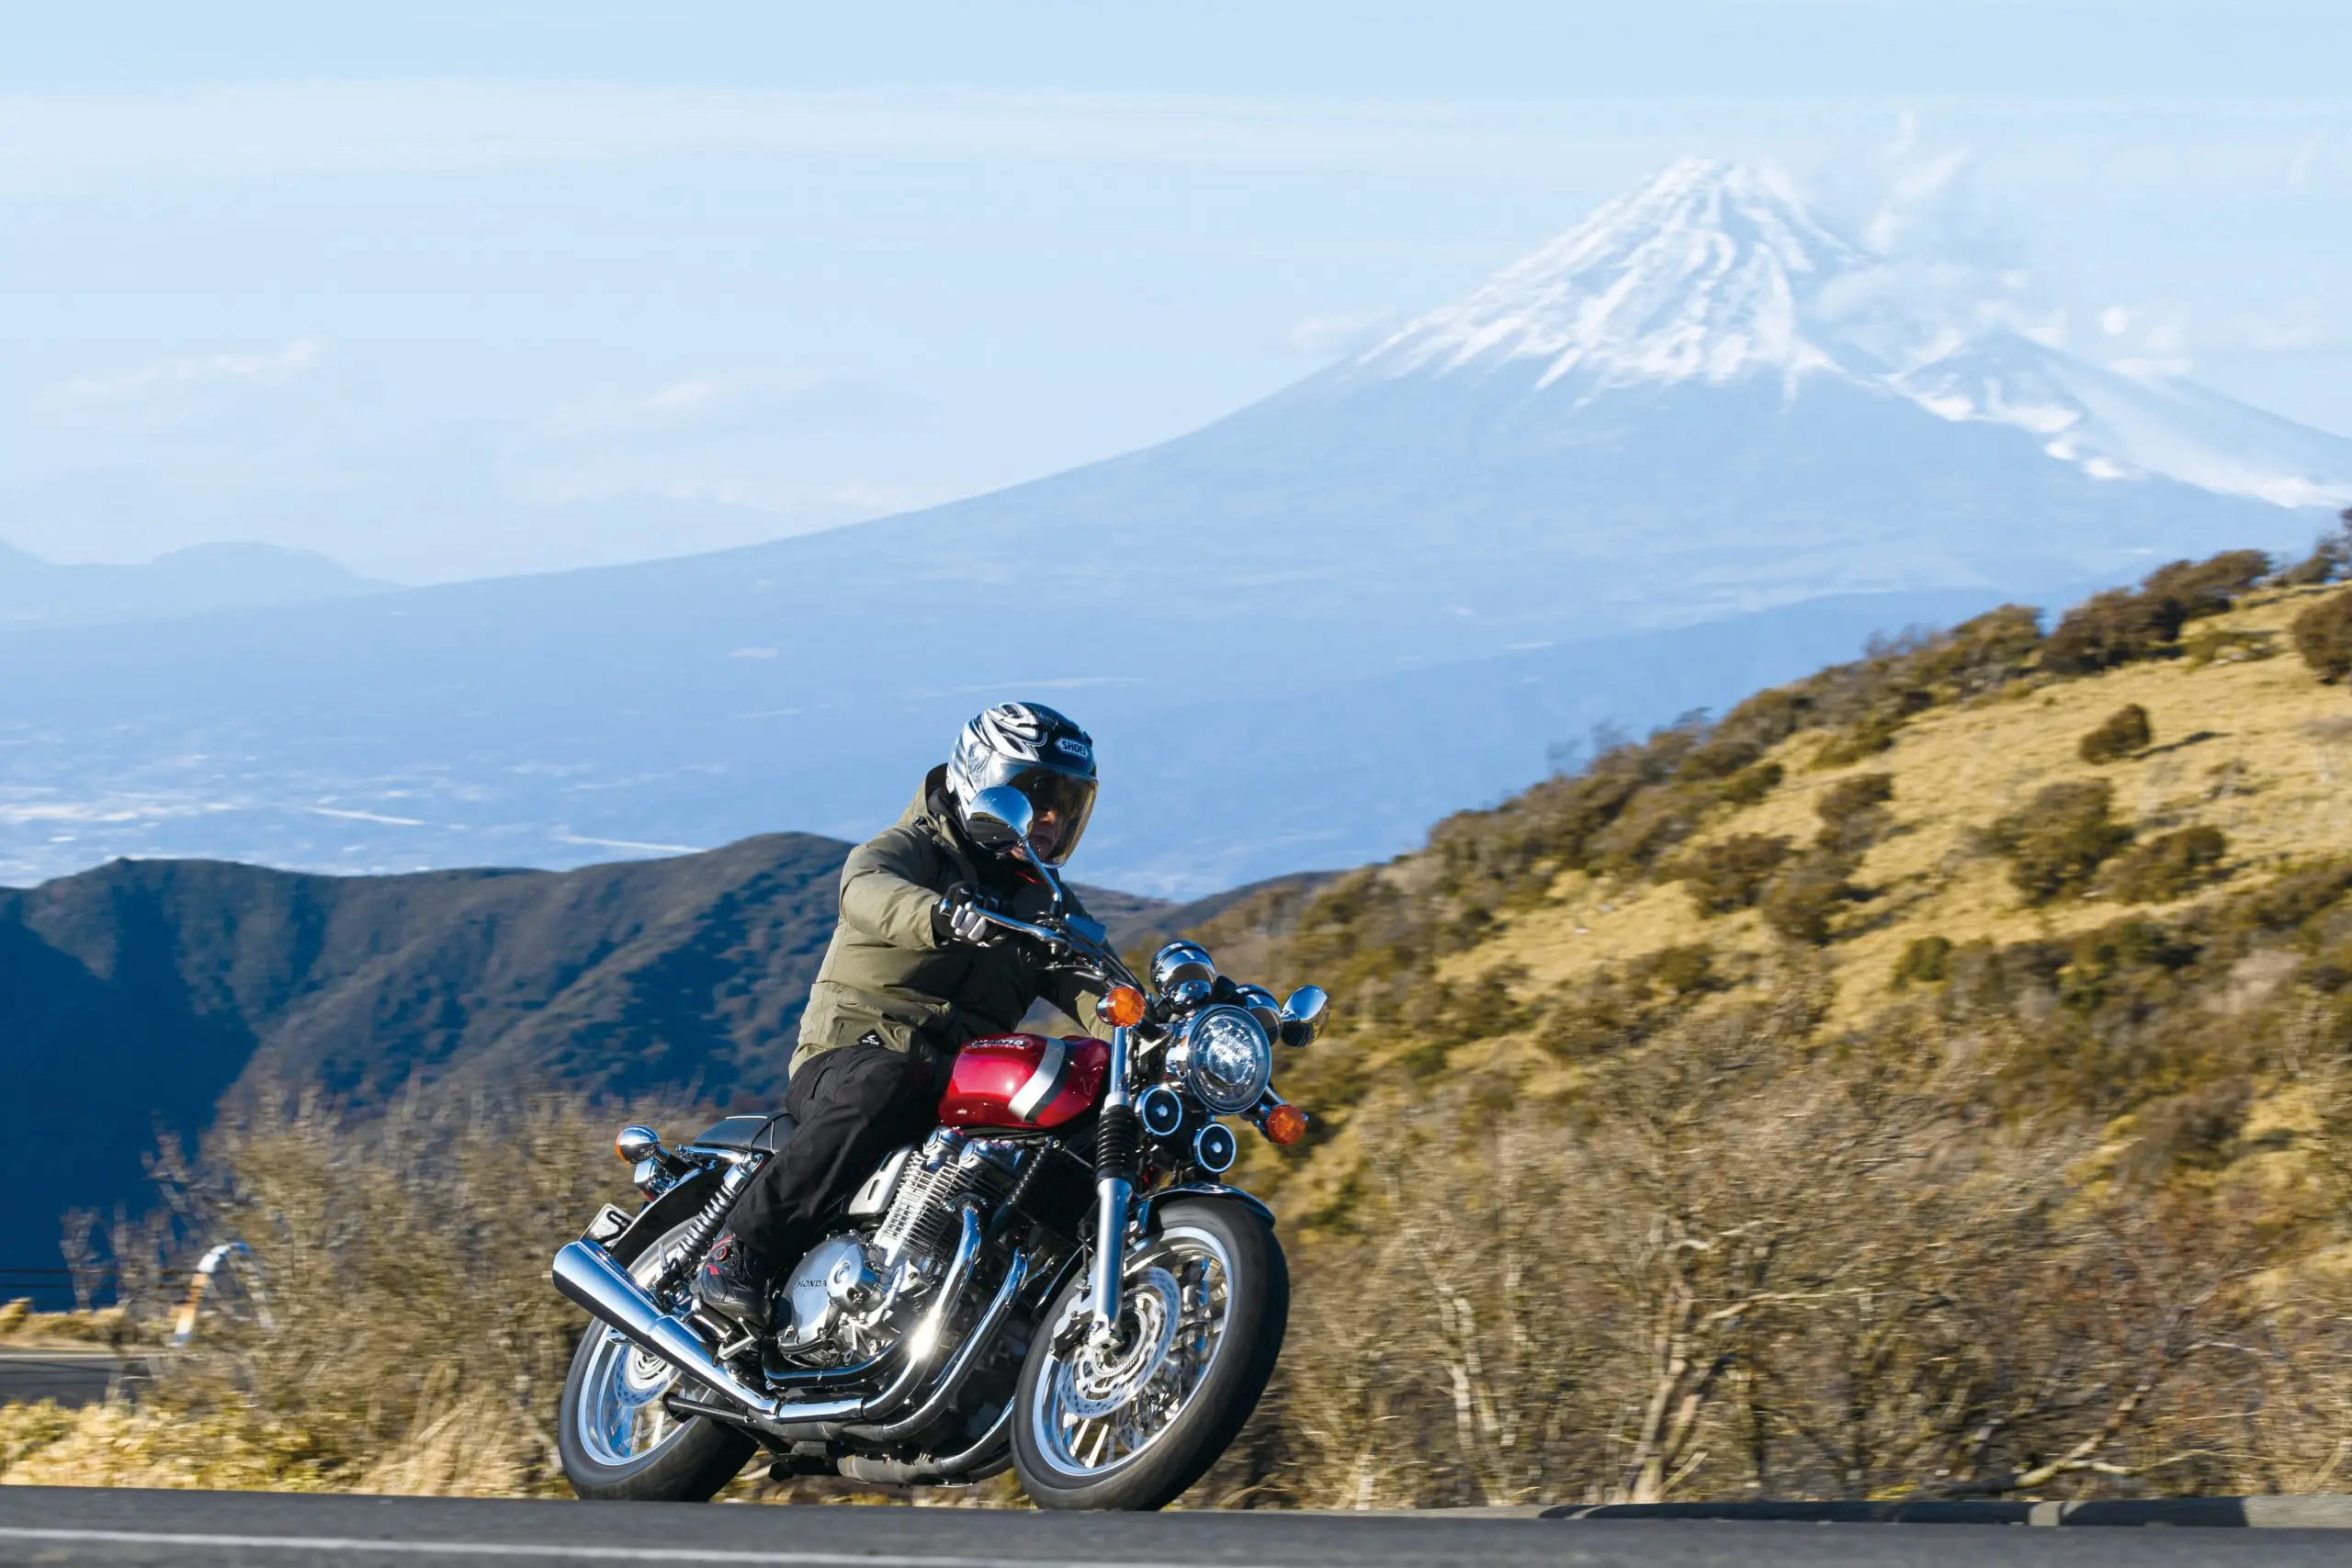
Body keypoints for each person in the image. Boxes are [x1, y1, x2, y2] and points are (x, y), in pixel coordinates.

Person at [695, 701, 1112, 1333]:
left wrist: (1173, 1026)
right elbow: (867, 889)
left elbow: (1098, 987)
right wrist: (938, 916)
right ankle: (739, 1251)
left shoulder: (1043, 904)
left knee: (1066, 1129)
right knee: (891, 1081)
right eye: (1035, 794)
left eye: (1066, 801)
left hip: (951, 1092)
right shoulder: (914, 848)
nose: (1051, 817)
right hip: (847, 1056)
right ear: (985, 780)